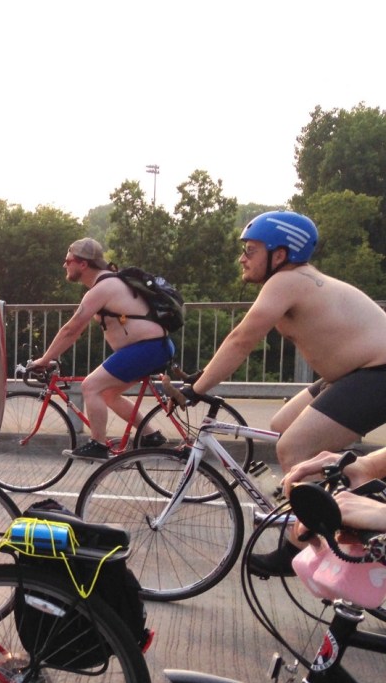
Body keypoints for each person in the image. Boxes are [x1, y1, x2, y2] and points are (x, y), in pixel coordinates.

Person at [183, 210, 386, 574]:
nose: (242, 258)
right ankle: (339, 494)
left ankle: (297, 547)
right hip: (353, 372)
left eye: (251, 250)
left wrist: (196, 390)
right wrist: (201, 376)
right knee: (281, 425)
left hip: (378, 373)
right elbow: (241, 340)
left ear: (280, 254)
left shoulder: (287, 282)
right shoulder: (294, 280)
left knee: (293, 448)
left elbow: (241, 339)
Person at [26, 238, 174, 460]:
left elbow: (72, 329)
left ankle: (98, 445)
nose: (64, 265)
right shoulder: (109, 284)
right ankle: (151, 436)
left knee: (90, 386)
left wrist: (46, 359)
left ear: (83, 264)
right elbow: (76, 331)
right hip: (151, 348)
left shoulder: (103, 288)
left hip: (147, 348)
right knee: (108, 393)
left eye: (68, 260)